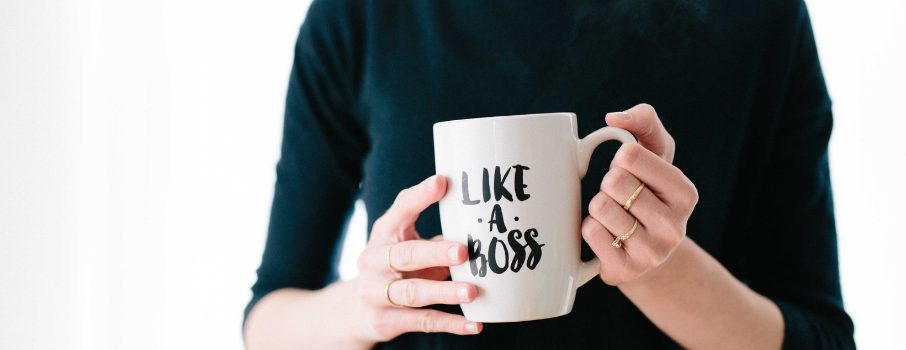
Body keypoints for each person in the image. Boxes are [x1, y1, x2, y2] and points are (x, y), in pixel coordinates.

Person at [242, 1, 854, 349]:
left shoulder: (754, 19)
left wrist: (657, 269)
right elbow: (267, 320)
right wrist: (368, 305)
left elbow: (820, 339)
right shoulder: (361, 16)